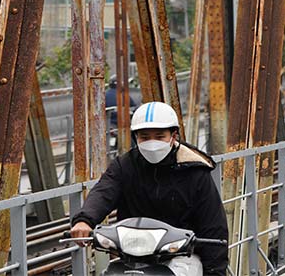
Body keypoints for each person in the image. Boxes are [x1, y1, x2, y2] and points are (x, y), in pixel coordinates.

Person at [69, 101, 228, 276]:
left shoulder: (194, 171)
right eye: (144, 137)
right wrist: (85, 220)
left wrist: (215, 271)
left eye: (160, 137)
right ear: (136, 138)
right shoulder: (125, 165)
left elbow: (213, 224)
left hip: (181, 253)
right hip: (133, 254)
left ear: (173, 136)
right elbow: (104, 191)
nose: (152, 143)